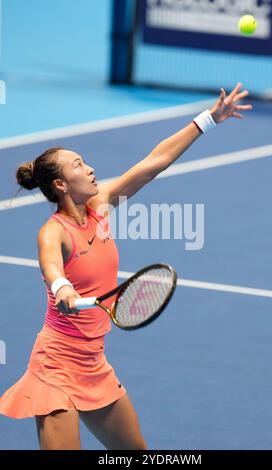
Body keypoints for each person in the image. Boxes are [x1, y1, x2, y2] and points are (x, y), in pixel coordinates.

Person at [0, 83, 252, 450]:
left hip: (93, 362)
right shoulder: (53, 232)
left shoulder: (100, 208)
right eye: (78, 166)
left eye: (85, 162)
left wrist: (209, 119)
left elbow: (153, 163)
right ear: (60, 185)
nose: (90, 169)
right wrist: (62, 288)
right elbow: (51, 265)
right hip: (55, 366)